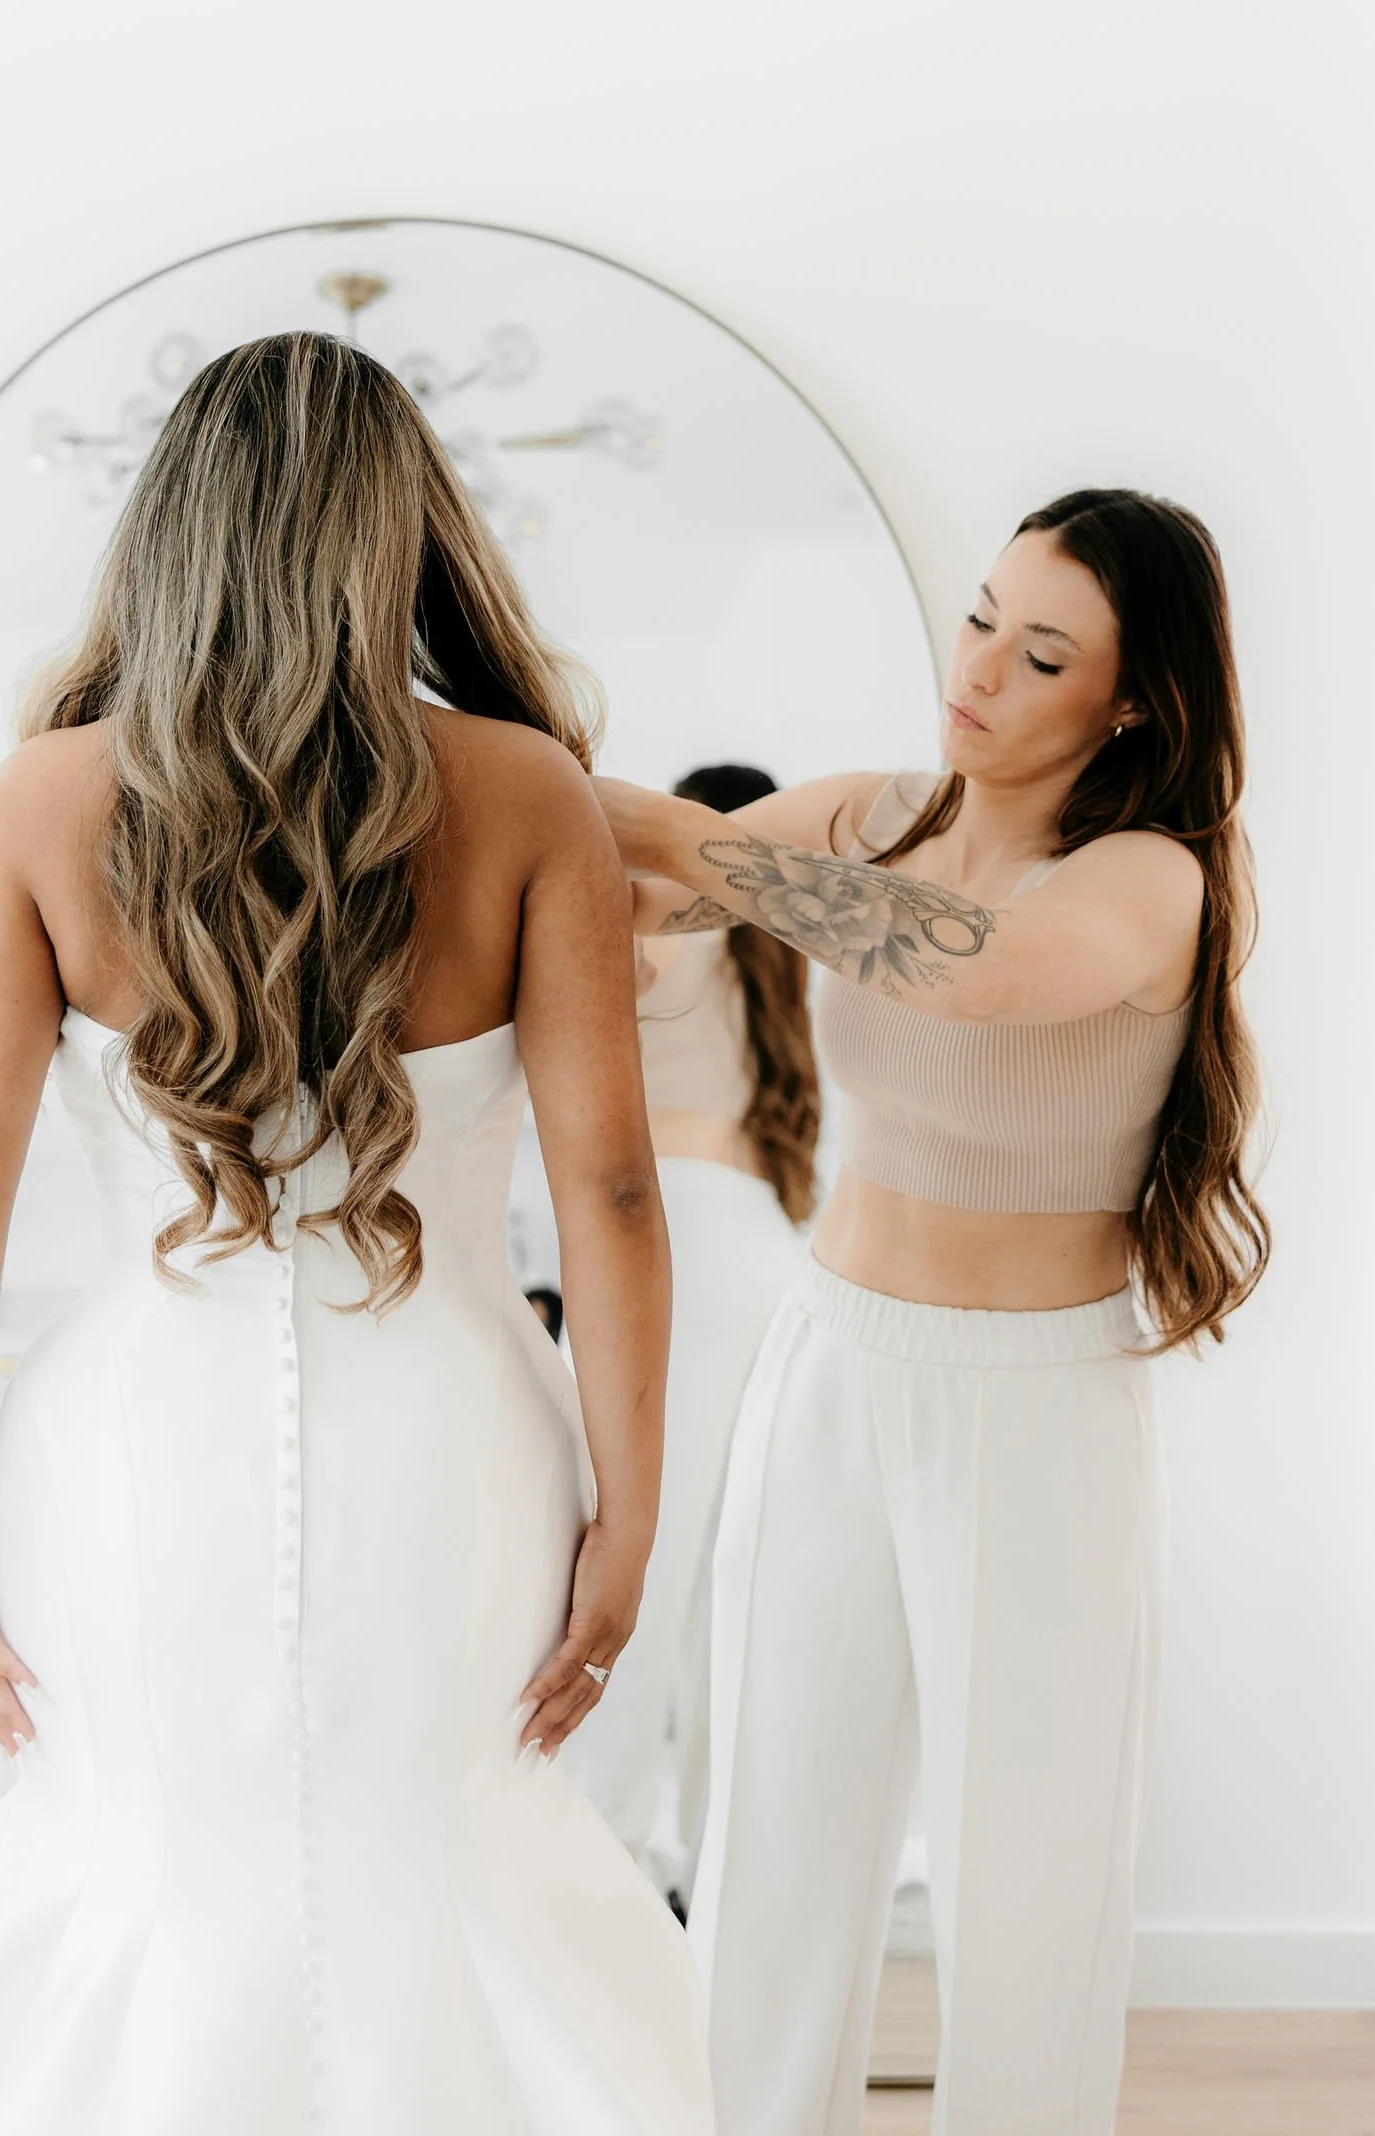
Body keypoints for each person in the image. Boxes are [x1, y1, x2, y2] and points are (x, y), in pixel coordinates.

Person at [0, 331, 711, 2136]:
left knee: (146, 1859)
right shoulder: (525, 796)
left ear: (169, 532)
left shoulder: (42, 801)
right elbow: (608, 1193)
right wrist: (629, 1509)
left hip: (128, 1443)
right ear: (406, 533)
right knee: (442, 1856)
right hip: (457, 1440)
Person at [596, 489, 1267, 2136]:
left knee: (1025, 1879)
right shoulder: (877, 813)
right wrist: (528, 803)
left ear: (1128, 699)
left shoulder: (1149, 878)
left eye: (1036, 650)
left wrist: (689, 835)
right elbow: (647, 912)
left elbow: (962, 964)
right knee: (770, 1844)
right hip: (832, 1359)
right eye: (978, 615)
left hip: (1032, 1404)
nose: (973, 666)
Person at [564, 762, 815, 1906]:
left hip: (673, 1247)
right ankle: (721, 1862)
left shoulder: (653, 928)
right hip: (765, 1247)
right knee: (733, 1571)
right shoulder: (777, 959)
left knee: (630, 1553)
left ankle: (603, 1839)